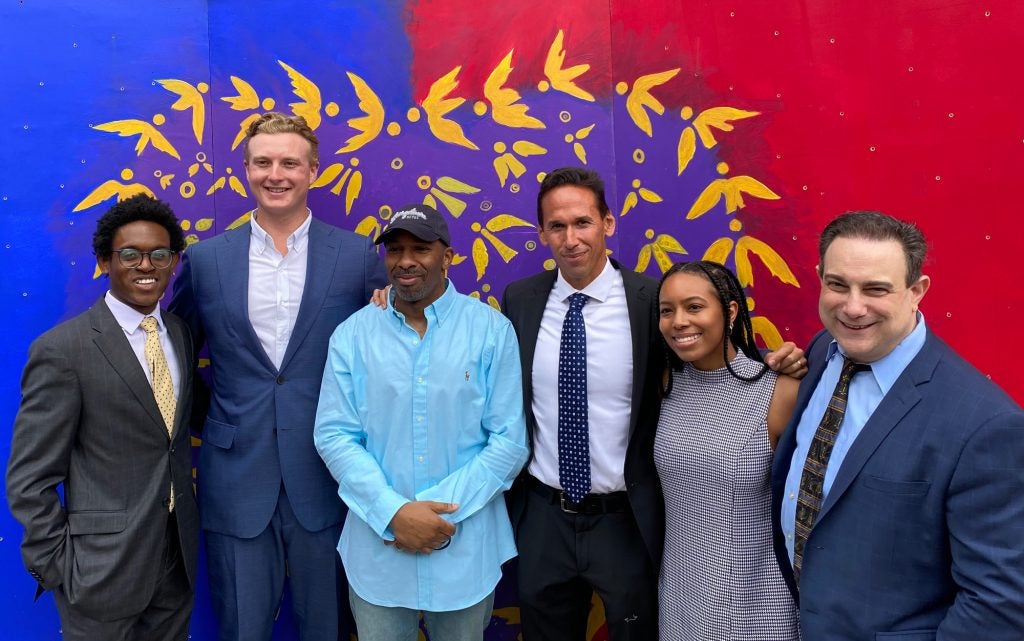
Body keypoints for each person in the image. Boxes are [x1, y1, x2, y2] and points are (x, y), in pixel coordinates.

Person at [500, 166, 806, 641]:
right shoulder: (520, 300)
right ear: (541, 233)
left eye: (582, 222)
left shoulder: (652, 301)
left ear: (608, 223)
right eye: (556, 226)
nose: (571, 238)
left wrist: (774, 366)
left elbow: (704, 358)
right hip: (543, 517)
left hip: (626, 519)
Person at [168, 112, 386, 641]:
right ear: (245, 169)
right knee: (242, 628)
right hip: (235, 478)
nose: (276, 174)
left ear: (313, 170)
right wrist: (216, 420)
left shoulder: (358, 256)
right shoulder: (207, 259)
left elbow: (388, 356)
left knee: (329, 628)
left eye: (290, 162)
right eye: (262, 162)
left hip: (329, 478)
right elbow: (175, 351)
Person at [772, 210, 1024, 640]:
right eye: (837, 285)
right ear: (819, 277)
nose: (852, 307)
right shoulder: (820, 352)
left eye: (875, 289)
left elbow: (998, 603)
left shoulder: (986, 425)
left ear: (916, 290)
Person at [314, 203, 529, 641]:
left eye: (420, 249)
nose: (406, 261)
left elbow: (508, 441)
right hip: (379, 551)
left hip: (464, 548)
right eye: (395, 250)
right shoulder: (353, 335)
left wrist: (435, 516)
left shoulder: (491, 330)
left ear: (447, 256)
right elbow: (334, 434)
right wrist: (394, 512)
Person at [6, 194, 199, 641]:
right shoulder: (63, 350)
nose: (145, 265)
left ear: (174, 262)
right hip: (98, 573)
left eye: (160, 254)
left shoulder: (180, 334)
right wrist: (57, 566)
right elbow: (29, 477)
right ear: (103, 262)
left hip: (176, 560)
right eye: (129, 254)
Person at [654, 260, 798, 640]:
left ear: (730, 311)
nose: (679, 321)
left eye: (695, 306)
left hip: (755, 601)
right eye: (667, 311)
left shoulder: (779, 389)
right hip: (681, 596)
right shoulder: (666, 385)